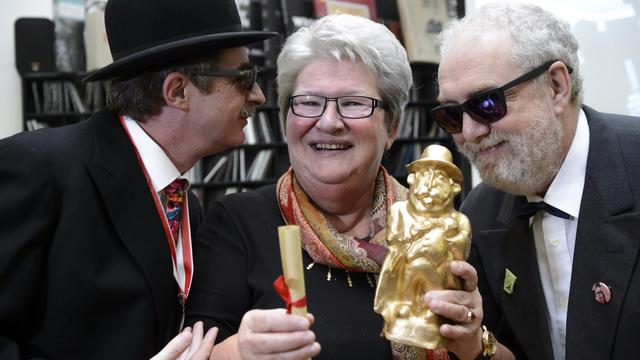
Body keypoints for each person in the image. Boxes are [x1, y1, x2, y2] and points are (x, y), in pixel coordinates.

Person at [0, 0, 275, 358]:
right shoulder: (39, 168)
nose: (259, 95)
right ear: (177, 91)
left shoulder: (183, 201)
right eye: (244, 78)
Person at [185, 13, 468, 359]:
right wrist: (237, 353)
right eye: (308, 102)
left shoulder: (436, 231)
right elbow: (195, 352)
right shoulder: (235, 225)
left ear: (392, 126)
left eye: (353, 103)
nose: (329, 122)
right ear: (286, 119)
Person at [425, 2, 640, 359]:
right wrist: (476, 345)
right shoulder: (479, 213)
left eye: (488, 103)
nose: (468, 133)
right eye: (451, 115)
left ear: (556, 86)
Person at [374, 145, 471, 350]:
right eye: (424, 179)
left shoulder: (458, 220)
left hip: (439, 274)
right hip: (406, 270)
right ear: (411, 181)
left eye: (438, 182)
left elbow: (460, 254)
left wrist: (445, 240)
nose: (429, 188)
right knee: (412, 270)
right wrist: (419, 240)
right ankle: (406, 309)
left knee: (434, 275)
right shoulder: (399, 211)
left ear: (453, 188)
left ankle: (430, 312)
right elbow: (394, 241)